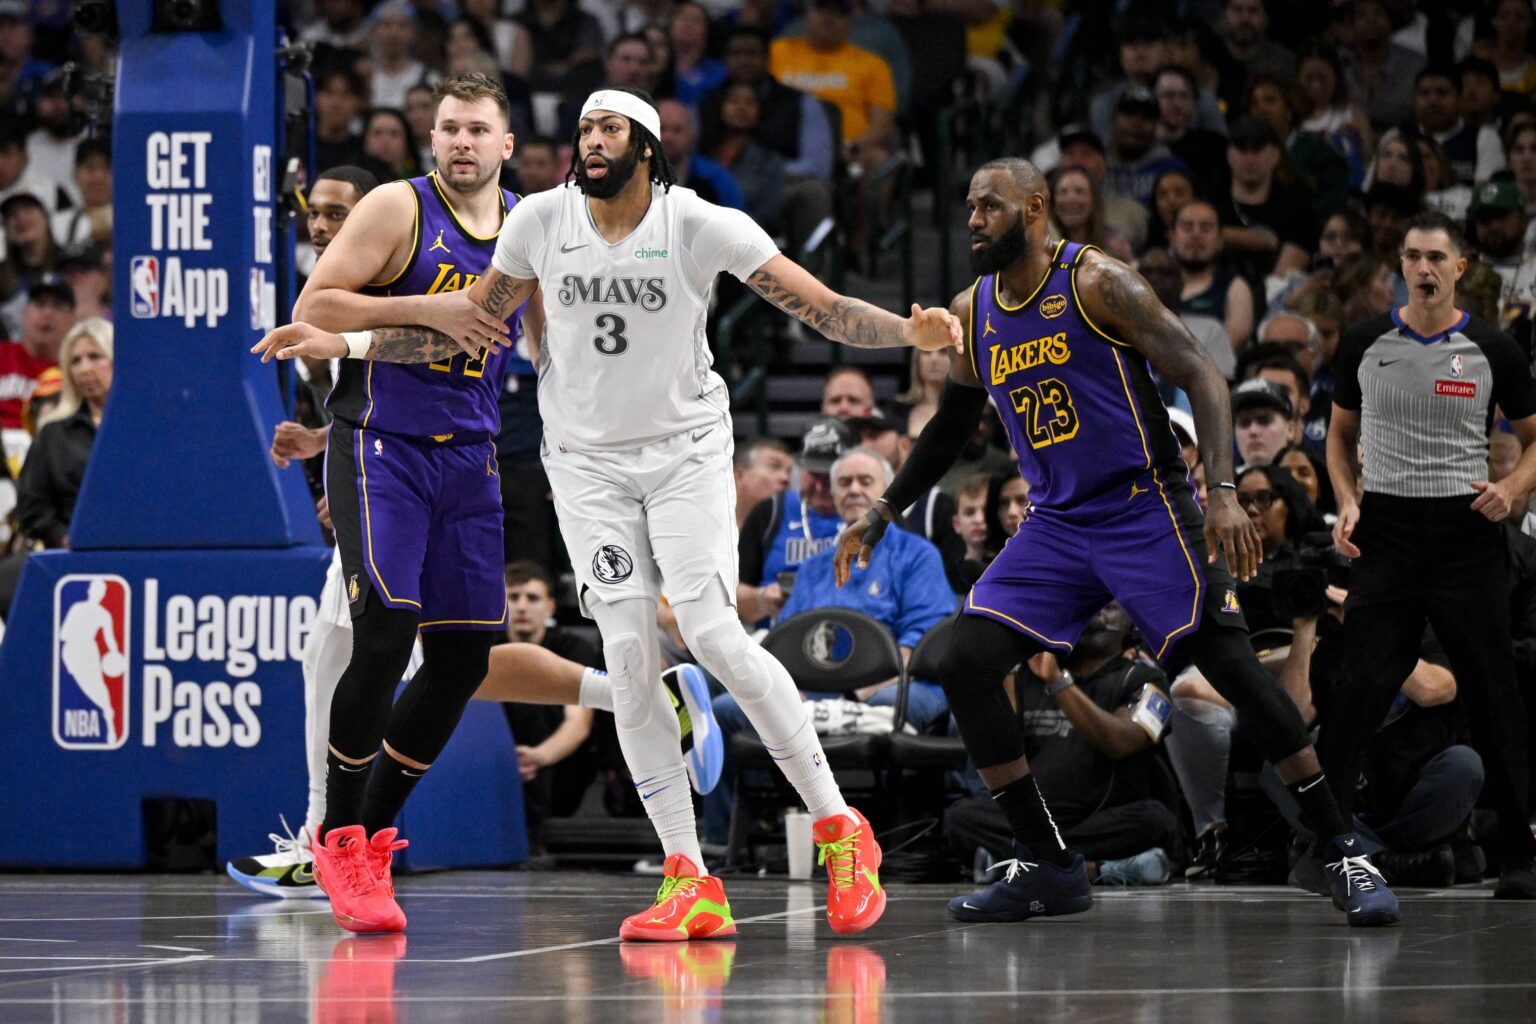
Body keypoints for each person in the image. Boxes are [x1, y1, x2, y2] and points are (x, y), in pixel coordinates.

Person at [254, 86, 961, 940]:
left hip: (685, 452)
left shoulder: (699, 223)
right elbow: (469, 329)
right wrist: (355, 343)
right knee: (629, 658)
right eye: (584, 126)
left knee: (711, 631)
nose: (591, 139)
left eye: (610, 128)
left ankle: (841, 828)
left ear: (649, 147)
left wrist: (907, 334)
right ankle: (687, 876)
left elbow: (819, 306)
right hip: (584, 467)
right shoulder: (539, 222)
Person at [836, 156, 1400, 926]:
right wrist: (886, 506)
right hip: (1056, 523)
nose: (972, 221)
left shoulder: (1098, 282)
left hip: (1145, 506)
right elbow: (952, 425)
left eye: (989, 207)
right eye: (968, 207)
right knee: (962, 661)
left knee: (1229, 663)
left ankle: (1341, 847)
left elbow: (1202, 371)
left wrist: (1226, 489)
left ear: (1036, 209)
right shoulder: (975, 311)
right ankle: (1047, 862)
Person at [1324, 208, 1536, 899]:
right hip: (1385, 528)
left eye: (1436, 257)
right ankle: (1326, 843)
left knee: (1492, 693)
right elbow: (1337, 436)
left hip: (1466, 534)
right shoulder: (1363, 343)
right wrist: (1347, 497)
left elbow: (1535, 438)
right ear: (1400, 266)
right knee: (1358, 690)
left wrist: (1511, 486)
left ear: (1460, 267)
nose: (1422, 268)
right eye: (1412, 256)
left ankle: (1519, 855)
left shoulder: (1494, 349)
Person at [702, 446, 955, 844]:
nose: (853, 490)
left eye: (865, 481)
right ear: (833, 496)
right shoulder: (813, 568)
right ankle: (718, 843)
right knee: (721, 713)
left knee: (886, 706)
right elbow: (785, 646)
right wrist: (791, 693)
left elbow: (922, 643)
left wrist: (861, 692)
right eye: (844, 483)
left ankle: (892, 836)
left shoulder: (918, 555)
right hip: (814, 692)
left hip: (899, 685)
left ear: (888, 489)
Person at [945, 604, 1181, 888]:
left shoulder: (1147, 680)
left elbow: (1119, 741)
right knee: (960, 817)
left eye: (1108, 607)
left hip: (1101, 818)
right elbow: (1003, 747)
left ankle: (1025, 862)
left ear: (1132, 623)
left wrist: (1059, 683)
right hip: (1036, 819)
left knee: (1156, 821)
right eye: (1089, 607)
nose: (1094, 613)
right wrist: (1006, 677)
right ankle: (1093, 868)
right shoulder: (1032, 672)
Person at [13, 316, 110, 550]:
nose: (84, 369)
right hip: (70, 555)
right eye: (75, 361)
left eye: (95, 357)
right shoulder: (53, 433)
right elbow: (31, 505)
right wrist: (63, 538)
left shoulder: (142, 428)